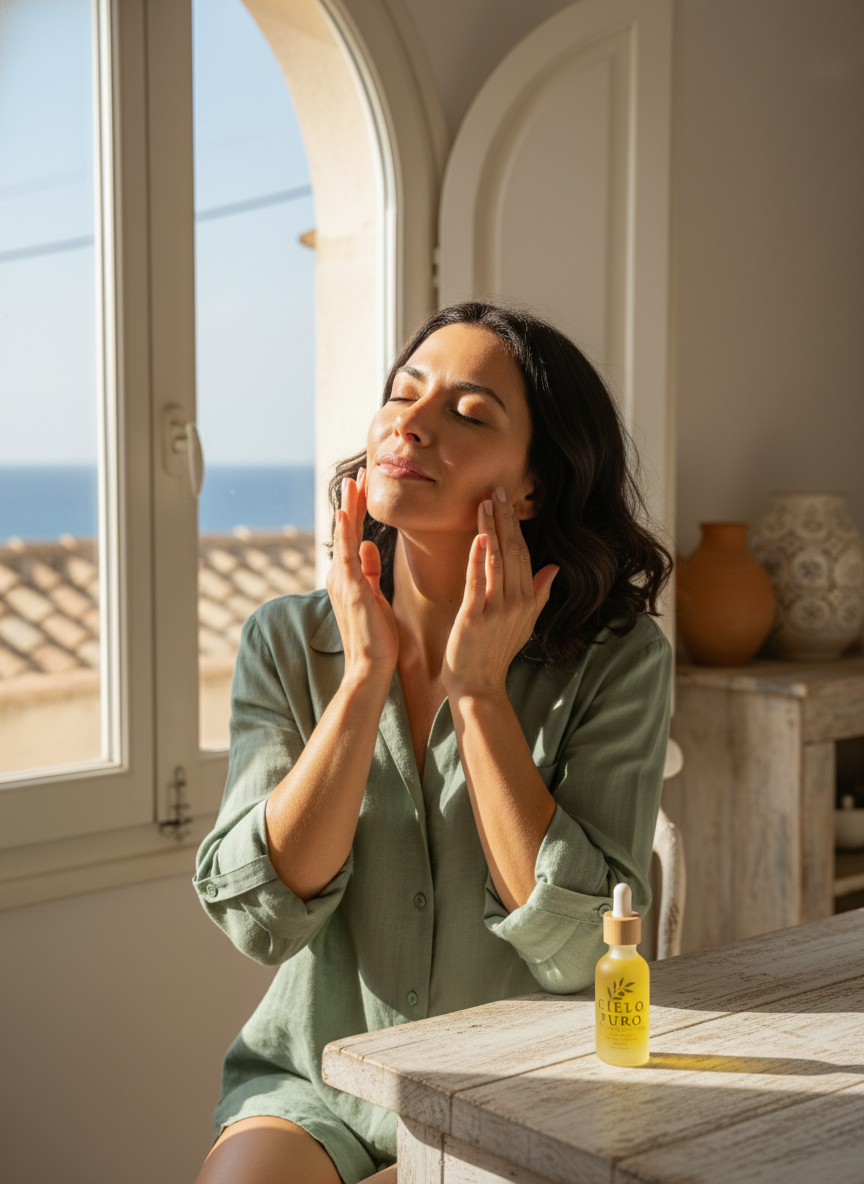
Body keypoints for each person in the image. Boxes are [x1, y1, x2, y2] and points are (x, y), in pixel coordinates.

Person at [193, 302, 673, 1184]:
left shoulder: (618, 661)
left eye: (468, 412)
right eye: (402, 395)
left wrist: (480, 693)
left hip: (525, 1090)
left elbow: (581, 951)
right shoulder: (286, 642)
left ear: (532, 485)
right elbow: (259, 919)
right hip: (315, 1080)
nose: (409, 422)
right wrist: (364, 678)